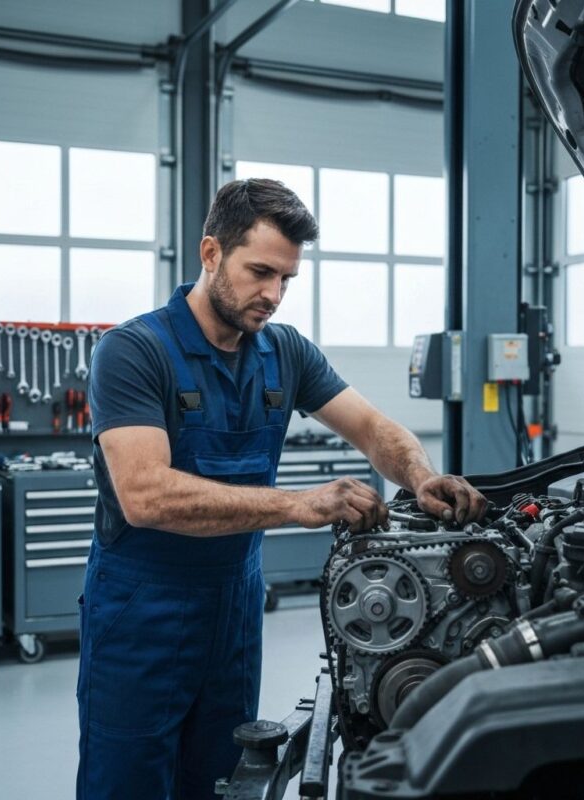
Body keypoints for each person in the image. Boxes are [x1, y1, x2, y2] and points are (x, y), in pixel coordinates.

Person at [76, 178, 488, 799]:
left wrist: (421, 476)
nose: (273, 295)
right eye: (260, 272)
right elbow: (145, 495)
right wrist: (299, 504)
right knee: (127, 782)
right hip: (140, 611)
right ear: (210, 253)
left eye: (286, 279)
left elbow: (373, 428)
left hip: (236, 607)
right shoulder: (134, 351)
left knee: (228, 779)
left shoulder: (283, 351)